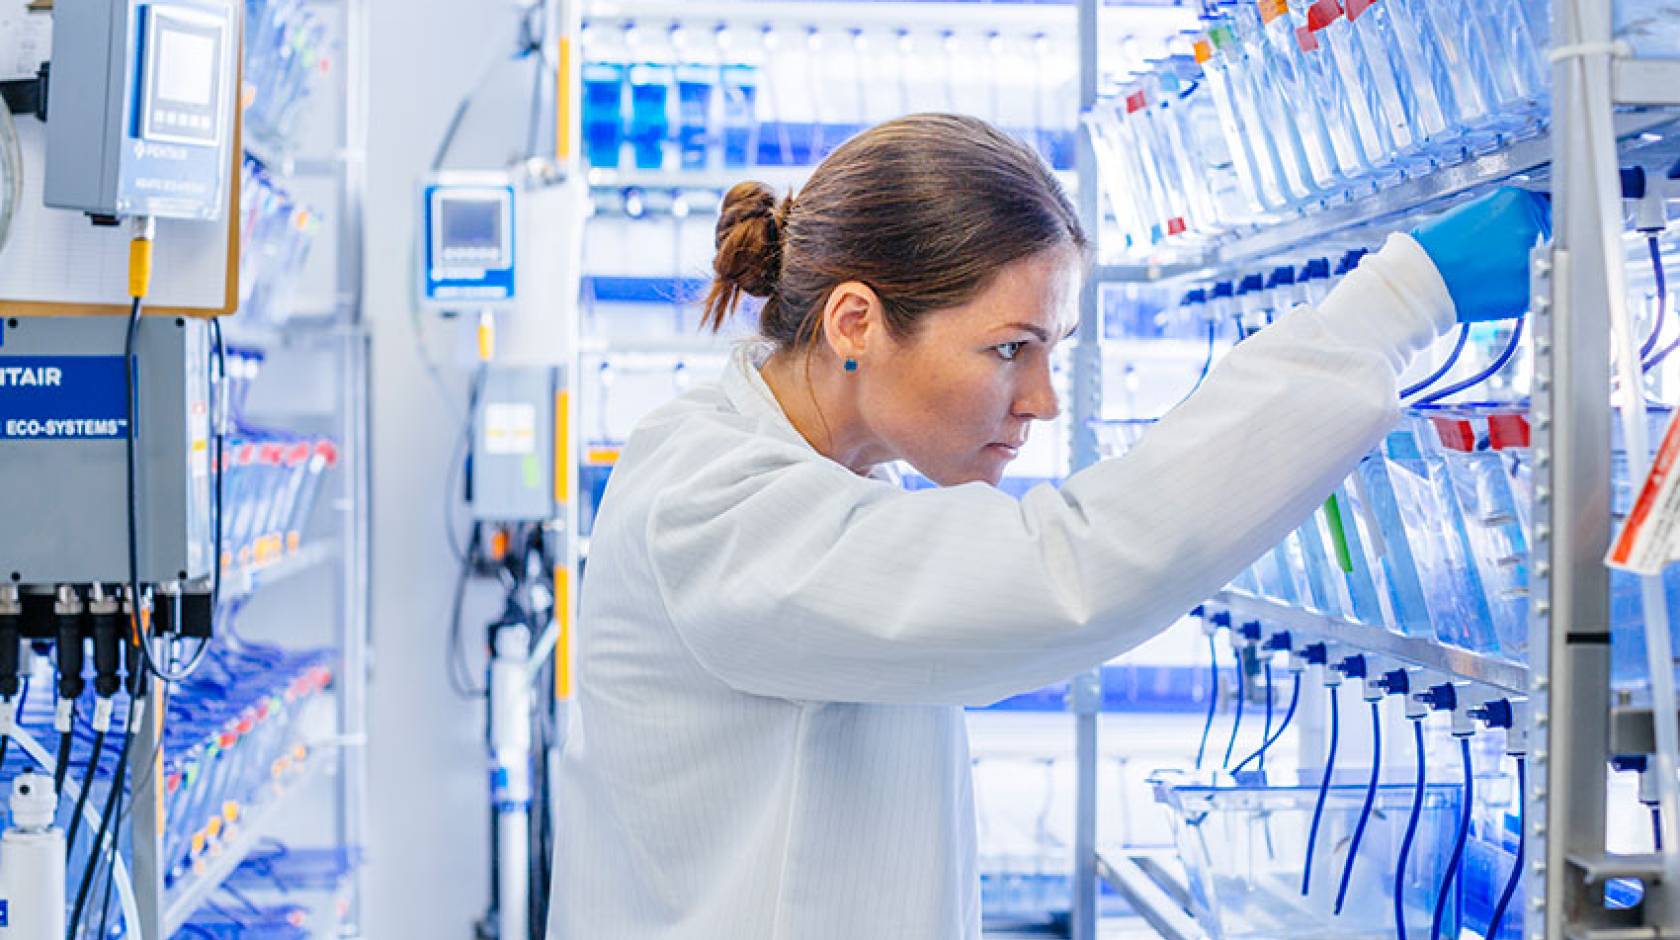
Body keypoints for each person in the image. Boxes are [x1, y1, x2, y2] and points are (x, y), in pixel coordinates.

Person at [547, 113, 1549, 939]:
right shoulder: (716, 504)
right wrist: (1396, 304)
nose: (1041, 400)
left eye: (1053, 350)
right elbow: (1069, 572)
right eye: (1010, 349)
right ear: (855, 323)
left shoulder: (815, 481)